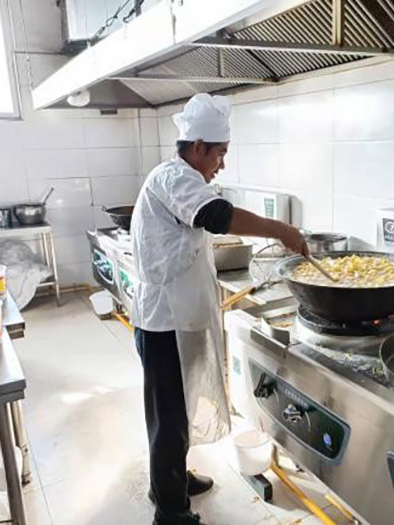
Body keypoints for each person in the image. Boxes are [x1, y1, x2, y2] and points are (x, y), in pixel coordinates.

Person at [130, 93, 308, 525]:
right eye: (220, 153)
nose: (222, 164)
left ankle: (171, 481)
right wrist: (280, 229)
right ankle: (170, 512)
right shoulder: (174, 177)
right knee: (168, 418)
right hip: (164, 323)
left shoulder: (181, 176)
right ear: (197, 147)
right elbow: (216, 215)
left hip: (178, 316)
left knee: (177, 413)